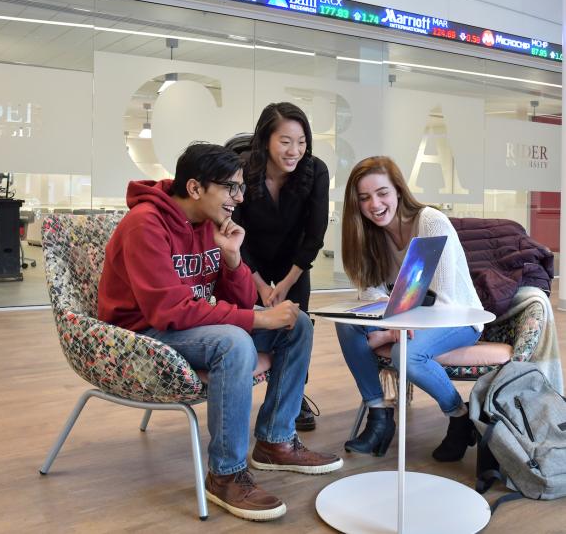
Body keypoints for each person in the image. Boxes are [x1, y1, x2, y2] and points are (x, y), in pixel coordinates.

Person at [97, 142, 342, 522]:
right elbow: (168, 310)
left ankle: (275, 440)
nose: (238, 198)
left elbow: (240, 301)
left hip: (186, 325)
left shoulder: (211, 224)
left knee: (298, 324)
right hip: (142, 334)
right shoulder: (145, 224)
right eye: (231, 187)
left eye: (241, 188)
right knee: (235, 342)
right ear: (195, 188)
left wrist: (231, 258)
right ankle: (225, 473)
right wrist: (259, 320)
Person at [336, 156, 484, 462]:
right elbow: (371, 292)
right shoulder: (372, 233)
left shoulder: (429, 222)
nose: (374, 204)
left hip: (457, 316)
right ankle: (379, 415)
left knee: (406, 353)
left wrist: (389, 333)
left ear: (399, 191)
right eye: (364, 198)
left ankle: (459, 417)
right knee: (347, 323)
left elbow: (444, 300)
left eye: (382, 193)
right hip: (410, 314)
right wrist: (391, 326)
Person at [231, 102, 330, 432]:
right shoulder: (241, 170)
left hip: (294, 261)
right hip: (249, 258)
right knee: (248, 322)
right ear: (265, 140)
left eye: (301, 141)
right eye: (285, 141)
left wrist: (287, 283)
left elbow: (315, 235)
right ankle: (237, 385)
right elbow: (236, 233)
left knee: (298, 324)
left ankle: (294, 395)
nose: (294, 150)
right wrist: (259, 283)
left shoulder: (315, 171)